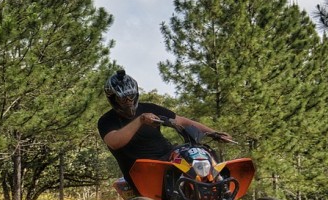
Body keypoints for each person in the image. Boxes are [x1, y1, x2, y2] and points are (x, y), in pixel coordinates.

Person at [97, 69, 233, 185]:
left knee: (200, 152)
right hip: (144, 172)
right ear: (113, 98)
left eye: (131, 97)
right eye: (123, 99)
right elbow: (114, 142)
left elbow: (183, 121)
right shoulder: (107, 121)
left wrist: (214, 133)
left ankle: (220, 189)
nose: (128, 102)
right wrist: (140, 120)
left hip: (171, 159)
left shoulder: (149, 108)